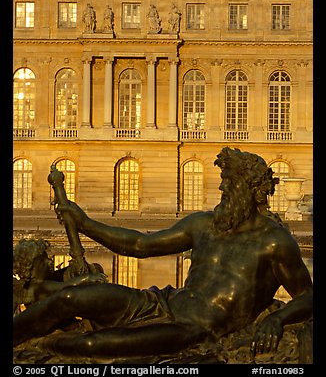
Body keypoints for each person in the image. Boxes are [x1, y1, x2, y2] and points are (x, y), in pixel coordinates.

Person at [13, 147, 313, 360]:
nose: (221, 187)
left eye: (229, 185)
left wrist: (279, 318)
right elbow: (140, 245)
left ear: (253, 191)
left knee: (93, 344)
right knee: (70, 297)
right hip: (160, 302)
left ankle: (42, 348)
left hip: (193, 328)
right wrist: (85, 224)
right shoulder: (205, 224)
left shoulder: (274, 242)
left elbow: (308, 296)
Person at [13, 238, 106, 314]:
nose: (49, 261)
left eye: (48, 258)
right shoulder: (40, 286)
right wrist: (87, 278)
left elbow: (61, 274)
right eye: (43, 261)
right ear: (31, 267)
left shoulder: (31, 285)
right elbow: (65, 286)